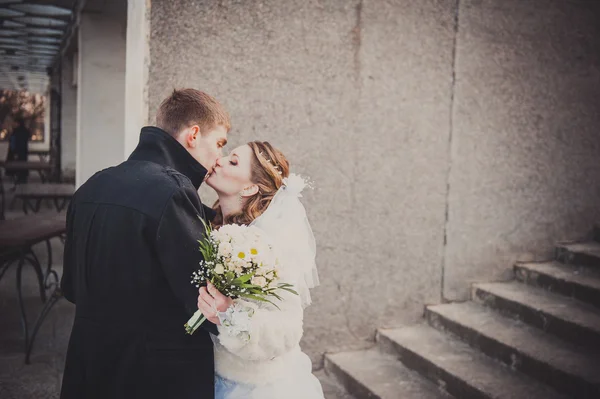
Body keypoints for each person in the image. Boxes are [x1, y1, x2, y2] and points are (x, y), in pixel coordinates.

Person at [60, 89, 231, 399]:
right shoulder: (173, 190)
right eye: (218, 144)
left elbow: (71, 287)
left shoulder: (91, 185)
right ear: (193, 134)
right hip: (151, 374)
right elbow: (200, 295)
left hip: (87, 363)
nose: (218, 157)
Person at [198, 141, 325, 399]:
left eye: (233, 161)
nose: (219, 160)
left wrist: (229, 314)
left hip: (251, 387)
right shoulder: (209, 226)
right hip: (207, 375)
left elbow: (286, 330)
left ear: (249, 187)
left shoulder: (267, 244)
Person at [6, 117, 30, 183]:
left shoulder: (17, 131)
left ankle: (18, 179)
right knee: (21, 167)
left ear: (18, 123)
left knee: (17, 166)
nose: (14, 124)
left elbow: (14, 142)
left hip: (17, 152)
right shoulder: (24, 130)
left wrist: (14, 152)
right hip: (21, 152)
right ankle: (21, 178)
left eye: (15, 123)